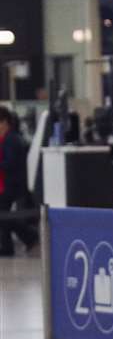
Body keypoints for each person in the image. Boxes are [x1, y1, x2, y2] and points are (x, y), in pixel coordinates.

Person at [0, 106, 39, 257]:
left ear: (5, 122)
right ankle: (10, 245)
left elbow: (10, 163)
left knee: (4, 215)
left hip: (11, 185)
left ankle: (29, 236)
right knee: (3, 215)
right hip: (5, 184)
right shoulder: (5, 138)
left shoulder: (12, 139)